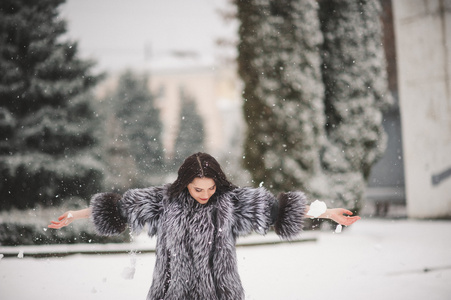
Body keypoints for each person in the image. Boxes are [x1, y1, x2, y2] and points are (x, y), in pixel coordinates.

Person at [49, 152, 360, 300]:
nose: (205, 194)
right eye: (198, 189)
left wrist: (326, 212)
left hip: (221, 294)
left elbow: (276, 209)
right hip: (172, 293)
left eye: (210, 188)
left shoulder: (231, 201)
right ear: (185, 184)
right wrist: (75, 215)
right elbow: (119, 208)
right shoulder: (163, 201)